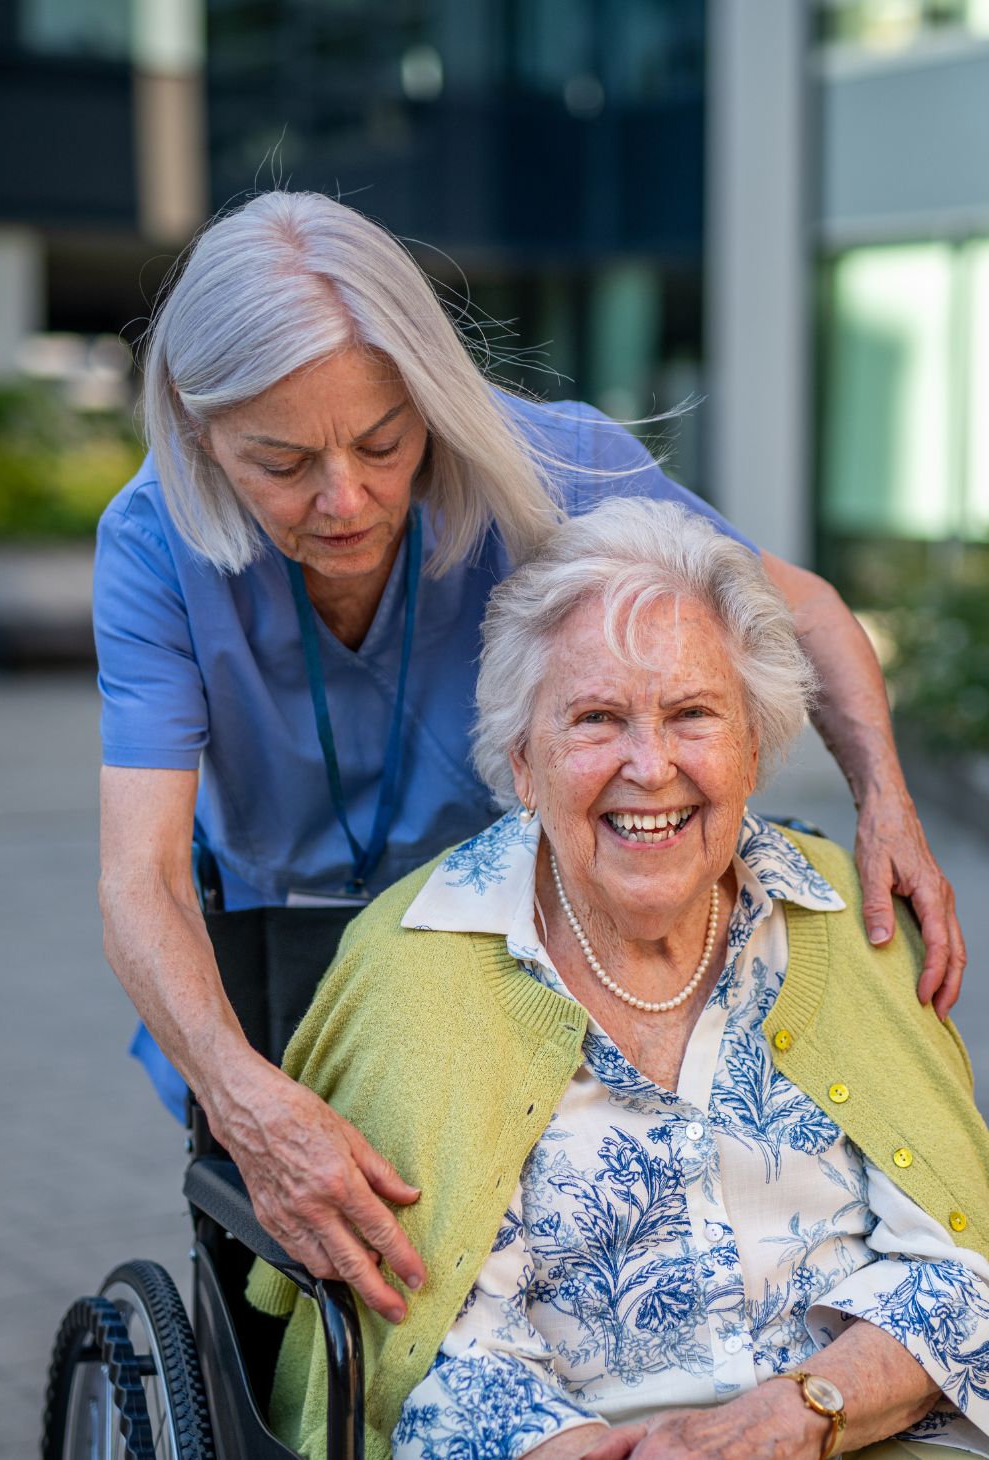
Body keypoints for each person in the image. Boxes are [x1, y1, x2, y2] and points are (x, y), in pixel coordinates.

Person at [94, 189, 964, 1325]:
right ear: (200, 429)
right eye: (281, 462)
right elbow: (140, 875)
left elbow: (801, 613)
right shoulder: (155, 542)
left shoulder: (542, 460)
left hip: (533, 933)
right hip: (289, 948)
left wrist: (885, 803)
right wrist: (244, 1095)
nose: (344, 497)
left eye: (383, 441)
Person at [247, 500, 989, 1460]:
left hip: (861, 1431)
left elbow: (959, 1259)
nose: (652, 767)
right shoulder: (415, 965)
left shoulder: (849, 922)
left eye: (693, 715)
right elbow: (429, 1350)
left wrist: (793, 1418)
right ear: (522, 762)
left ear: (754, 747)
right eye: (597, 719)